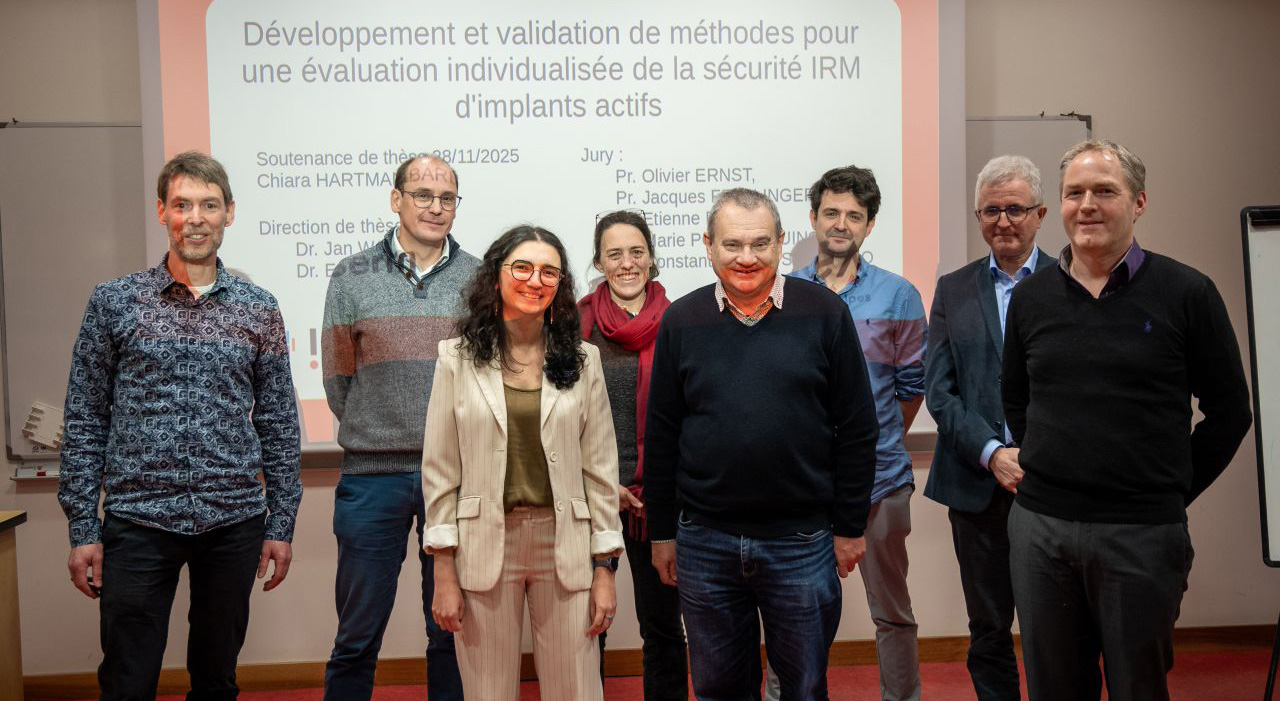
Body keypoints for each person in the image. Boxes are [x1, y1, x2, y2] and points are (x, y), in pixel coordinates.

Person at [1002, 139, 1253, 701]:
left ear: (1138, 202)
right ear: (1059, 206)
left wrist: (1169, 487)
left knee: (1138, 688)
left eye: (1104, 191)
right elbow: (1016, 400)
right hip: (1042, 532)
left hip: (1142, 535)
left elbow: (1231, 413)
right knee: (1053, 689)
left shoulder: (1188, 292)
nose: (1086, 204)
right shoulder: (1031, 298)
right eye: (1074, 193)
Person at [58, 150, 302, 700]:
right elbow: (85, 416)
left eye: (209, 205)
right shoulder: (115, 302)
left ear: (229, 214)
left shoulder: (260, 308)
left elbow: (279, 421)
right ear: (162, 212)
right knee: (128, 678)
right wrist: (82, 527)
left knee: (217, 679)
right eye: (182, 205)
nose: (196, 217)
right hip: (138, 520)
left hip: (233, 520)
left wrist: (281, 522)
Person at [645, 187, 880, 701]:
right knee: (718, 690)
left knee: (803, 689)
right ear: (708, 245)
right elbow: (661, 436)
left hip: (801, 543)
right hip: (705, 542)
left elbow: (858, 428)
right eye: (732, 244)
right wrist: (662, 532)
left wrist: (849, 526)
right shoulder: (682, 322)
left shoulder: (825, 312)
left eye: (759, 244)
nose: (746, 258)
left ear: (780, 244)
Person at [423, 225, 624, 701]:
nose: (535, 280)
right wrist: (444, 571)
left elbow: (600, 472)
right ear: (496, 277)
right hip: (483, 545)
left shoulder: (584, 360)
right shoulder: (456, 359)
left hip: (565, 545)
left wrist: (604, 569)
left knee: (577, 691)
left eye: (549, 272)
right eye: (523, 268)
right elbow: (440, 471)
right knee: (488, 692)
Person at [766, 165, 927, 701]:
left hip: (880, 481)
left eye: (853, 215)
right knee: (790, 615)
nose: (841, 224)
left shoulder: (898, 296)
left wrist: (871, 443)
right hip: (800, 485)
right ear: (812, 219)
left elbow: (910, 388)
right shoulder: (781, 294)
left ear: (870, 225)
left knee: (893, 614)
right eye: (831, 213)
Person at [320, 154, 476, 700]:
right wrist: (379, 426)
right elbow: (340, 380)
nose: (435, 207)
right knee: (358, 634)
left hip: (457, 480)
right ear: (396, 199)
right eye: (422, 195)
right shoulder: (351, 275)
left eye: (447, 197)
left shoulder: (479, 277)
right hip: (373, 477)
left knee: (452, 631)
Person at [922, 155, 1056, 701]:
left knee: (1059, 627)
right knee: (989, 626)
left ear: (1041, 214)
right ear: (979, 216)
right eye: (992, 210)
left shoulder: (1070, 280)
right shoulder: (953, 289)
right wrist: (992, 451)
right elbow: (939, 390)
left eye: (1016, 209)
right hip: (978, 487)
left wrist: (1034, 454)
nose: (1004, 221)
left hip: (1055, 487)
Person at [577, 210, 686, 700]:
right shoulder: (572, 324)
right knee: (585, 627)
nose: (627, 263)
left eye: (636, 251)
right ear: (599, 260)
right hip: (587, 494)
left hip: (659, 500)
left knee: (663, 628)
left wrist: (660, 485)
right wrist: (600, 481)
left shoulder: (682, 322)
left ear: (651, 257)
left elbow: (693, 414)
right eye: (615, 253)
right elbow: (557, 418)